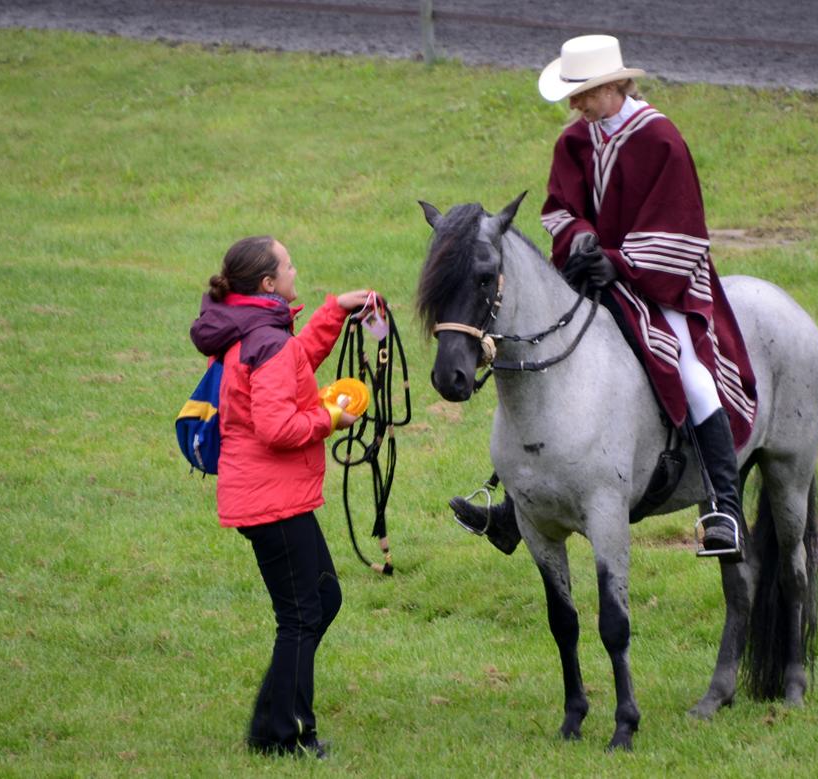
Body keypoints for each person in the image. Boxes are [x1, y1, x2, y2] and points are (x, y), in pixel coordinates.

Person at [451, 34, 758, 560]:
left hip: (663, 281)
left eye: (584, 93)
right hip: (590, 274)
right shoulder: (575, 141)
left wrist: (618, 259)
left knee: (692, 371)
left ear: (615, 85)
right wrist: (583, 241)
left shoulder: (661, 140)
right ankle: (514, 505)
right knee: (540, 358)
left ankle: (722, 504)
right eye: (573, 94)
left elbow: (680, 230)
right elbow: (558, 210)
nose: (575, 104)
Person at [189, 235, 375, 758]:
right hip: (270, 501)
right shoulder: (264, 340)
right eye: (289, 265)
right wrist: (332, 418)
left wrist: (334, 312)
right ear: (268, 283)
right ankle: (285, 737)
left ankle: (270, 724)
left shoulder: (256, 327)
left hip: (270, 496)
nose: (296, 269)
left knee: (323, 599)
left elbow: (295, 363)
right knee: (301, 615)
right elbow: (276, 427)